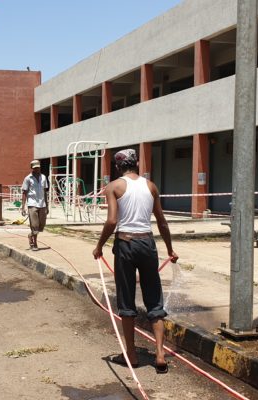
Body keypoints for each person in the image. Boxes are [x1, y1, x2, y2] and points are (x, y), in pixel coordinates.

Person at [92, 149, 178, 374]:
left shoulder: (114, 187)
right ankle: (160, 354)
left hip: (125, 244)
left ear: (118, 166)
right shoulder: (151, 186)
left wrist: (99, 245)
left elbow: (112, 221)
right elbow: (162, 222)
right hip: (148, 245)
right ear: (136, 164)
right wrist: (170, 249)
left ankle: (131, 354)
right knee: (154, 299)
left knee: (126, 301)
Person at [21, 160, 49, 251]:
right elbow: (24, 192)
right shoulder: (28, 178)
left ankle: (31, 235)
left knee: (41, 225)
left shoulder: (44, 177)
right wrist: (23, 207)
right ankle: (34, 243)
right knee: (35, 225)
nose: (37, 169)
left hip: (42, 204)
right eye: (35, 167)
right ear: (32, 168)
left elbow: (45, 192)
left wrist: (47, 205)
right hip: (32, 204)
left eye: (38, 167)